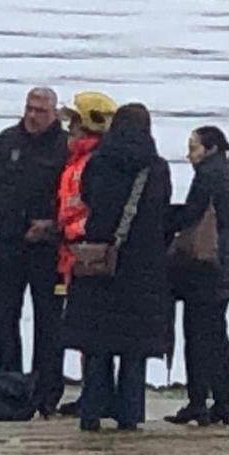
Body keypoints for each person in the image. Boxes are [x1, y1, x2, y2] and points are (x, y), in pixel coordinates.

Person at [63, 103, 172, 431]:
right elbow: (161, 209)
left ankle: (92, 410)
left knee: (96, 343)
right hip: (143, 266)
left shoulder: (99, 162)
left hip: (99, 260)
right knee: (133, 348)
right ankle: (129, 414)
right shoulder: (156, 168)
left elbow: (88, 198)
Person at [0, 87, 69, 415]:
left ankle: (46, 390)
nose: (33, 115)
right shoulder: (7, 140)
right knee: (1, 313)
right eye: (29, 108)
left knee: (49, 321)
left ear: (54, 113)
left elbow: (75, 200)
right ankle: (9, 379)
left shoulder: (65, 146)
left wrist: (53, 225)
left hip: (48, 249)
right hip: (8, 243)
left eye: (40, 110)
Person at [165, 126, 229, 427]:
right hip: (228, 258)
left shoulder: (207, 175)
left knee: (196, 333)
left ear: (209, 148)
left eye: (193, 147)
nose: (189, 154)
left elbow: (191, 216)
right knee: (217, 334)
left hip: (204, 263)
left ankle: (197, 401)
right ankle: (223, 402)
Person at [54, 91, 118, 417]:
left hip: (84, 252)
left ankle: (97, 394)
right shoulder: (78, 158)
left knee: (92, 330)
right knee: (83, 329)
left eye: (75, 122)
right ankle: (91, 392)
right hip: (72, 252)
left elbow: (92, 209)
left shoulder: (95, 161)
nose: (70, 129)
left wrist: (70, 234)